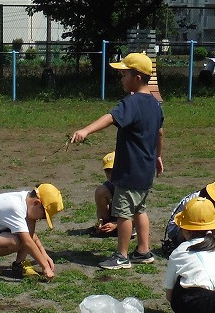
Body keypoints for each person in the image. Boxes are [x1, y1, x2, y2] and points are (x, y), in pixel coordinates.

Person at [69, 52, 164, 270]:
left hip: (129, 169)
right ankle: (143, 250)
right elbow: (159, 133)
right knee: (140, 209)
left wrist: (86, 130)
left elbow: (111, 118)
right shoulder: (155, 104)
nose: (121, 79)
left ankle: (121, 256)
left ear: (137, 78)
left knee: (124, 213)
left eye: (124, 75)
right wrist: (158, 156)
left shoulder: (132, 102)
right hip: (145, 169)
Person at [0, 185, 63, 280]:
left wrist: (44, 254)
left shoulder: (27, 200)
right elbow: (27, 241)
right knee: (16, 242)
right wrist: (45, 267)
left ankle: (19, 264)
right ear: (36, 203)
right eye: (44, 216)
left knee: (27, 227)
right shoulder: (15, 207)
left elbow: (31, 235)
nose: (41, 219)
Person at [94, 151, 117, 235]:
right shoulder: (108, 185)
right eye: (107, 171)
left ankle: (125, 228)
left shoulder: (129, 186)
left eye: (113, 170)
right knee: (100, 190)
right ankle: (106, 225)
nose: (110, 174)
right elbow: (99, 207)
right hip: (114, 217)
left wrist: (116, 224)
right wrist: (100, 220)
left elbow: (136, 213)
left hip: (128, 219)